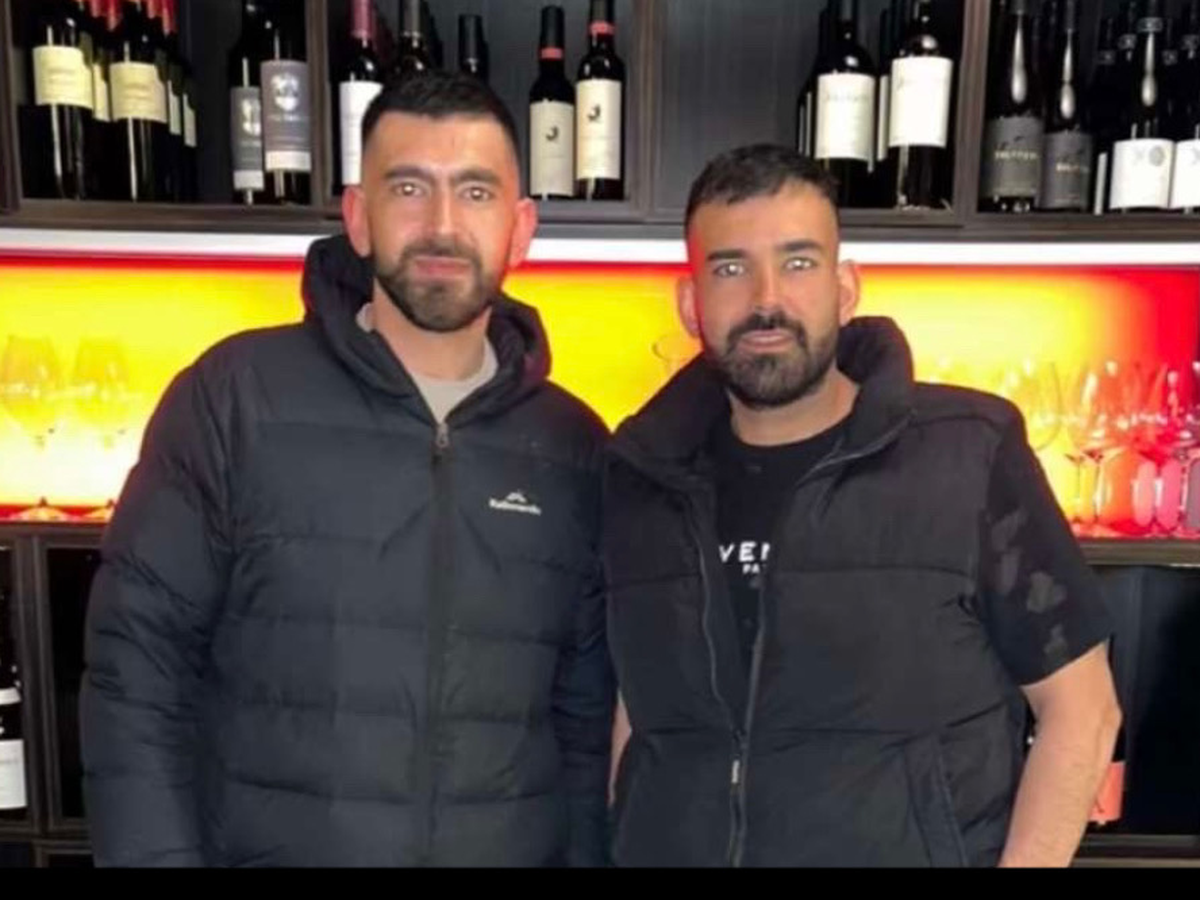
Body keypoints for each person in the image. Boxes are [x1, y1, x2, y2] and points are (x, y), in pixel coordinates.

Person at [80, 71, 614, 868]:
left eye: (475, 192)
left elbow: (583, 721)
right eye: (409, 188)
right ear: (359, 218)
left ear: (521, 227)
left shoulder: (574, 446)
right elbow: (137, 677)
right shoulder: (235, 400)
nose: (442, 225)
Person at [603, 144, 1122, 868]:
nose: (766, 299)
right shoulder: (639, 476)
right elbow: (639, 715)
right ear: (690, 303)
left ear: (845, 289)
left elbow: (1083, 709)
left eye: (798, 262)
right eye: (730, 268)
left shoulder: (969, 453)